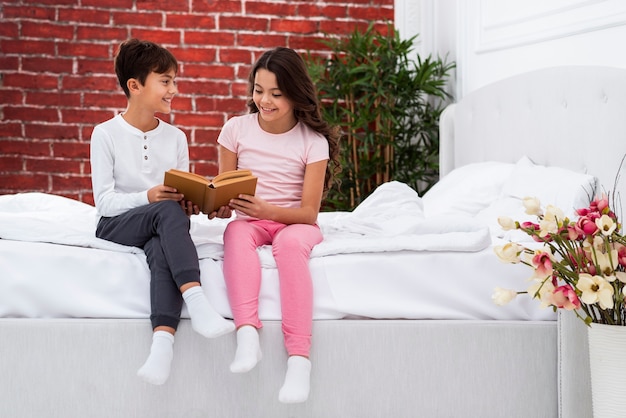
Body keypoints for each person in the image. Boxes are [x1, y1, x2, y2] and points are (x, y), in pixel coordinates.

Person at [90, 39, 235, 385]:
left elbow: (179, 200)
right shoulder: (105, 134)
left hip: (162, 222)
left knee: (160, 246)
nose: (174, 89)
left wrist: (198, 202)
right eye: (166, 81)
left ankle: (162, 343)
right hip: (115, 225)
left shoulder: (176, 137)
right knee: (164, 212)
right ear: (135, 86)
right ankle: (196, 299)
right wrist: (150, 196)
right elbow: (104, 203)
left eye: (174, 81)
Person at [216, 46, 341, 403]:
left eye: (276, 93)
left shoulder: (312, 141)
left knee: (288, 247)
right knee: (235, 232)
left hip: (293, 222)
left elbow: (309, 214)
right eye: (258, 90)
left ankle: (299, 360)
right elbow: (225, 189)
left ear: (295, 93)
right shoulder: (235, 129)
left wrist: (266, 209)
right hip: (251, 220)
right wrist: (219, 205)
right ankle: (247, 335)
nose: (264, 101)